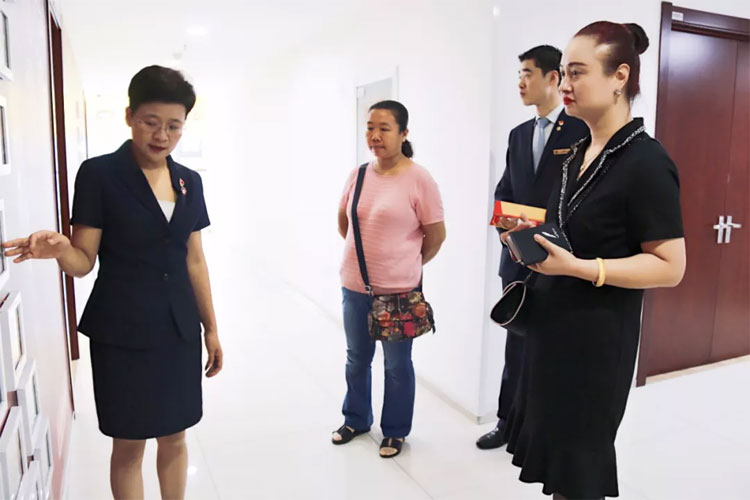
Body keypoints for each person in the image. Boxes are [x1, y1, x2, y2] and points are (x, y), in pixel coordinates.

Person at [2, 66, 223, 500]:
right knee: (129, 443)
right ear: (129, 116)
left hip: (178, 329)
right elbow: (83, 262)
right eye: (150, 122)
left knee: (176, 436)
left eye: (173, 126)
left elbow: (195, 261)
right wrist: (60, 249)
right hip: (122, 331)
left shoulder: (189, 181)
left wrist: (211, 327)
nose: (161, 135)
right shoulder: (100, 174)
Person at [501, 22, 686, 499]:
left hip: (595, 343)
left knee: (578, 472)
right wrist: (532, 240)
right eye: (564, 72)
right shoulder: (578, 152)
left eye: (578, 72)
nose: (564, 84)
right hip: (551, 329)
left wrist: (581, 268)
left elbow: (670, 266)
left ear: (619, 76)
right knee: (556, 465)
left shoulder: (646, 162)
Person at [478, 45, 588, 450]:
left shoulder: (580, 131)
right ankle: (508, 423)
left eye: (527, 73)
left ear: (553, 78)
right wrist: (506, 233)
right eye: (519, 74)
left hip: (560, 260)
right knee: (516, 348)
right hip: (518, 260)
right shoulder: (519, 134)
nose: (521, 82)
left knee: (554, 351)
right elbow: (505, 192)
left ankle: (543, 431)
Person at [332, 100, 446, 458]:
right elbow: (345, 223)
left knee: (396, 365)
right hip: (354, 286)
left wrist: (405, 263)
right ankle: (356, 419)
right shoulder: (358, 174)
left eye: (384, 128)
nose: (375, 136)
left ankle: (395, 430)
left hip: (398, 292)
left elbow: (436, 236)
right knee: (356, 358)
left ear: (403, 133)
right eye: (370, 128)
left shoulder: (419, 179)